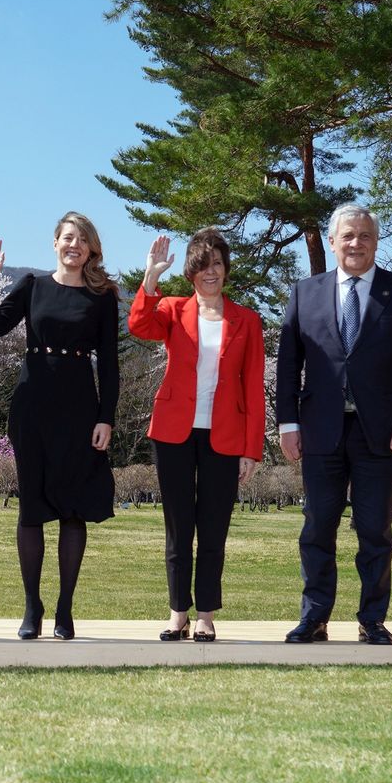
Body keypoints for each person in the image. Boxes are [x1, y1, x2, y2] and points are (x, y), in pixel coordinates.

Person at [274, 202, 392, 644]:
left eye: (364, 236)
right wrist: (287, 422)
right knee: (317, 528)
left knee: (374, 529)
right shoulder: (304, 292)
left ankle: (372, 620)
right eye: (347, 236)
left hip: (382, 432)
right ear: (332, 242)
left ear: (376, 243)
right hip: (320, 431)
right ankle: (314, 618)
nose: (356, 243)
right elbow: (289, 365)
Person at [0, 212, 119, 641]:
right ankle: (31, 606)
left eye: (82, 240)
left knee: (73, 508)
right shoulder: (33, 285)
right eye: (67, 238)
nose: (74, 245)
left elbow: (110, 365)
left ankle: (64, 608)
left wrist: (106, 417)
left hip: (79, 408)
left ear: (91, 249)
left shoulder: (103, 296)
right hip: (32, 405)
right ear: (55, 243)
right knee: (32, 508)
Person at [129, 229, 266, 642]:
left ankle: (205, 614)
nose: (212, 272)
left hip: (224, 436)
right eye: (204, 266)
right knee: (178, 526)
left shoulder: (247, 320)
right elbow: (139, 324)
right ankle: (177, 613)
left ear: (226, 271)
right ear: (191, 272)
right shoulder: (172, 309)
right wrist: (151, 277)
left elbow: (254, 386)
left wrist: (251, 449)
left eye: (218, 265)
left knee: (213, 527)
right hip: (173, 433)